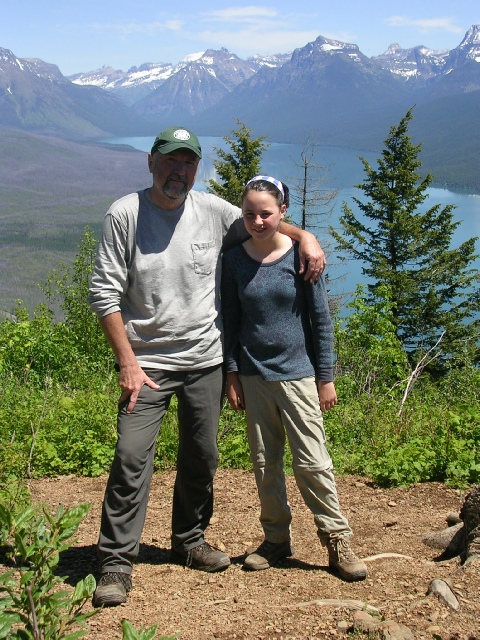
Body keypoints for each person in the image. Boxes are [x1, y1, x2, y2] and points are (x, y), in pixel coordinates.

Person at [87, 127, 326, 607]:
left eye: (188, 163)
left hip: (204, 361)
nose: (179, 171)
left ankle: (189, 540)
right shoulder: (126, 214)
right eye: (171, 161)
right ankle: (115, 562)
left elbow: (265, 224)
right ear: (151, 162)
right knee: (132, 457)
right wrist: (127, 363)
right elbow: (104, 292)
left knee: (202, 456)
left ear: (197, 168)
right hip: (146, 363)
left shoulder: (214, 212)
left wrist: (306, 237)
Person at [221, 175, 368, 582]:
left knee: (312, 462)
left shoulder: (302, 257)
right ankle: (275, 540)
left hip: (298, 375)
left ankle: (337, 540)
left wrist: (326, 377)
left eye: (266, 213)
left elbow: (321, 320)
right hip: (253, 375)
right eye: (249, 214)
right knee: (265, 463)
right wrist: (231, 374)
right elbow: (230, 321)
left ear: (282, 212)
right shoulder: (233, 260)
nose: (257, 221)